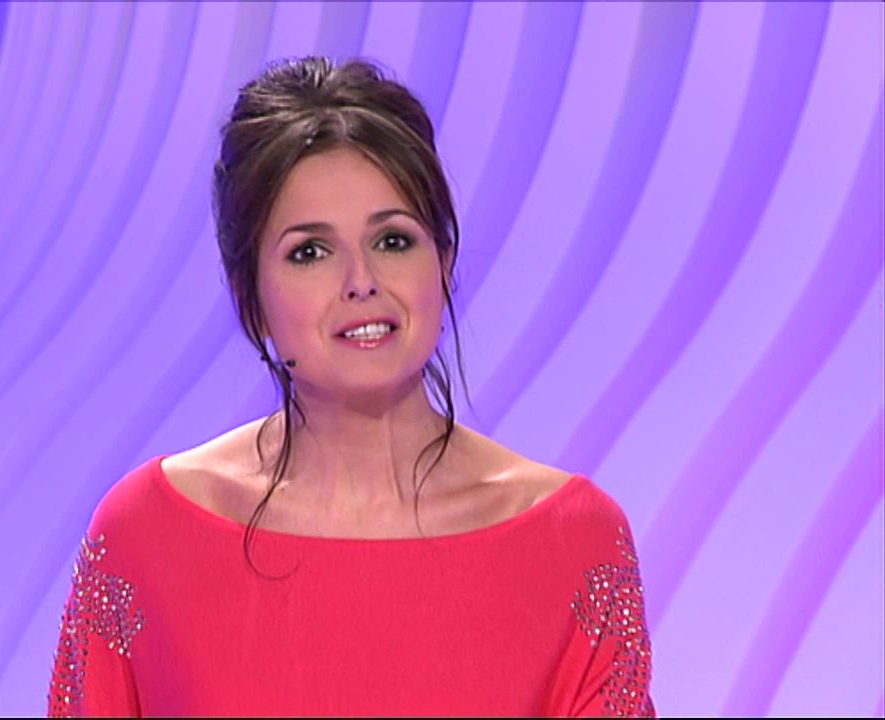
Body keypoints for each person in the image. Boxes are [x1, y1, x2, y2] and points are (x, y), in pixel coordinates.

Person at [47, 57, 655, 717]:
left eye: (393, 241)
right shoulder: (146, 536)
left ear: (444, 262)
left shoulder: (572, 545)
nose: (361, 282)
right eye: (310, 252)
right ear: (250, 296)